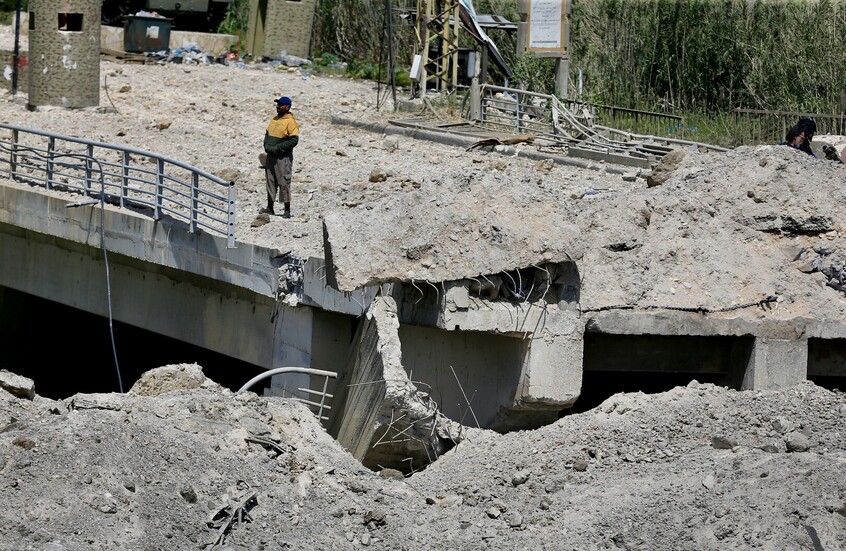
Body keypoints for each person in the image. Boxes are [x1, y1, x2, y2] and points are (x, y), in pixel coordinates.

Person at [262, 96, 299, 218]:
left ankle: (287, 210)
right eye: (278, 104)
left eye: (281, 105)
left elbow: (294, 140)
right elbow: (267, 134)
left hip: (283, 158)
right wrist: (266, 145)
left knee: (284, 181)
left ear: (287, 107)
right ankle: (270, 207)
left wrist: (278, 148)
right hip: (271, 156)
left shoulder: (290, 122)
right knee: (270, 180)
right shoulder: (274, 120)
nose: (278, 106)